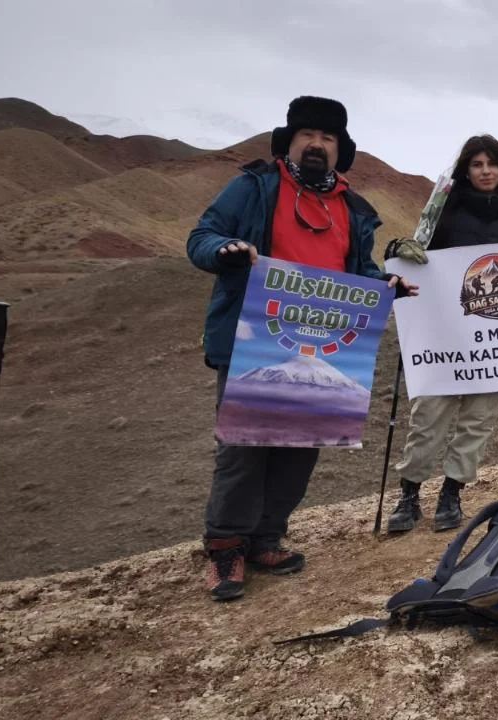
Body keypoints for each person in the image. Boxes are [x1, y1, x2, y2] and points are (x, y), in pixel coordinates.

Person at [186, 96, 417, 601]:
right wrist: (224, 251)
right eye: (307, 134)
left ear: (339, 149)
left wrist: (386, 286)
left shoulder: (353, 209)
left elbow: (360, 271)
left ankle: (265, 539)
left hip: (325, 343)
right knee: (244, 448)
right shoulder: (254, 187)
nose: (316, 144)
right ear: (289, 142)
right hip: (254, 335)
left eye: (327, 137)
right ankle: (226, 547)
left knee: (299, 448)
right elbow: (201, 236)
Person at [381, 134, 498, 534]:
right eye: (477, 164)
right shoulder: (442, 220)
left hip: (494, 346)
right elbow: (408, 260)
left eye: (492, 164)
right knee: (428, 418)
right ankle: (409, 495)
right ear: (465, 171)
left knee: (477, 422)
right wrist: (397, 250)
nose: (486, 172)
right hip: (444, 341)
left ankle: (451, 494)